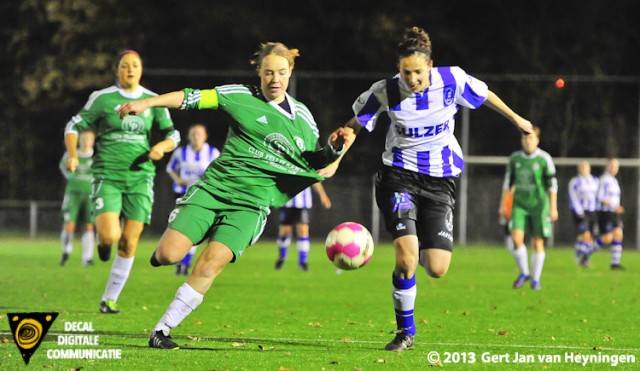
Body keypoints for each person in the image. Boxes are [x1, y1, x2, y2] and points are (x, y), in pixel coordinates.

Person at [116, 42, 352, 350]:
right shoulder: (239, 96)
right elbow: (192, 97)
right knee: (168, 255)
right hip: (215, 189)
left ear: (291, 72)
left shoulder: (304, 118)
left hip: (251, 206)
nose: (275, 79)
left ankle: (162, 329)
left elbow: (313, 163)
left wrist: (333, 147)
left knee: (211, 263)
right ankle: (191, 227)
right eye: (268, 73)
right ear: (259, 72)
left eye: (281, 72)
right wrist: (149, 103)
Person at [330, 26, 533, 352]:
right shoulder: (386, 90)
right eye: (405, 72)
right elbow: (355, 125)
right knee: (407, 258)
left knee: (436, 268)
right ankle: (404, 332)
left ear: (431, 65)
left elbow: (486, 95)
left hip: (440, 181)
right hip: (398, 177)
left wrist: (517, 119)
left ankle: (417, 242)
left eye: (418, 72)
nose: (411, 79)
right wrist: (336, 156)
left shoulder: (452, 80)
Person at [64, 50, 181, 314]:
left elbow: (174, 133)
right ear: (117, 70)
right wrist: (73, 154)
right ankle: (104, 246)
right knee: (110, 236)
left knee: (129, 240)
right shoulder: (102, 98)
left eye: (135, 65)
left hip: (141, 178)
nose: (130, 69)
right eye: (125, 65)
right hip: (108, 175)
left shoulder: (152, 100)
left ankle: (109, 299)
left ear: (141, 70)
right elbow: (73, 126)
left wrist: (162, 146)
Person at [501, 127, 558, 291]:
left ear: (537, 140)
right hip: (519, 205)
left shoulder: (544, 159)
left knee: (537, 242)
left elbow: (552, 185)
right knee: (516, 239)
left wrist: (553, 208)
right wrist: (504, 205)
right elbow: (507, 184)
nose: (527, 141)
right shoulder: (515, 159)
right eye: (525, 138)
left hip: (539, 206)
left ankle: (536, 279)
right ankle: (525, 272)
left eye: (531, 138)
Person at [166, 123, 220, 275]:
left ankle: (183, 263)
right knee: (180, 230)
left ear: (205, 136)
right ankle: (179, 261)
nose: (196, 137)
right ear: (189, 136)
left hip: (202, 196)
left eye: (199, 134)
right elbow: (170, 168)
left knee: (195, 231)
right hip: (182, 195)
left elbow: (220, 171)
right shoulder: (180, 152)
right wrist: (178, 179)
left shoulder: (212, 152)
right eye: (194, 134)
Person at [274, 182, 332, 271]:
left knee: (303, 232)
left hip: (302, 203)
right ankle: (282, 256)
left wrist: (323, 195)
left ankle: (303, 262)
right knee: (285, 232)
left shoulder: (308, 167)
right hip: (285, 200)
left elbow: (315, 178)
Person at [59, 129, 96, 267]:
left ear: (93, 141)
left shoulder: (96, 156)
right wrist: (70, 176)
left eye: (89, 139)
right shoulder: (71, 154)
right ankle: (66, 251)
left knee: (89, 225)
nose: (86, 142)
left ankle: (87, 257)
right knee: (69, 224)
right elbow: (63, 167)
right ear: (79, 140)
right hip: (73, 193)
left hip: (90, 194)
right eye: (84, 139)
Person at [568, 160, 599, 267]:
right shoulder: (574, 181)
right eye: (581, 167)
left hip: (592, 211)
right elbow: (573, 197)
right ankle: (579, 256)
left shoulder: (595, 180)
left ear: (589, 168)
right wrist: (579, 211)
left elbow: (597, 197)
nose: (583, 169)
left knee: (590, 238)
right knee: (585, 235)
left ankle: (584, 259)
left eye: (585, 167)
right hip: (580, 211)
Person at [595, 158, 625, 270]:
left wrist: (616, 207)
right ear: (607, 166)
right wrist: (614, 206)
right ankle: (588, 251)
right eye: (612, 165)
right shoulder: (604, 179)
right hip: (605, 212)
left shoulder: (614, 181)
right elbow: (600, 197)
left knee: (618, 233)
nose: (614, 168)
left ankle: (615, 263)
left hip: (614, 212)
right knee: (607, 238)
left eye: (616, 166)